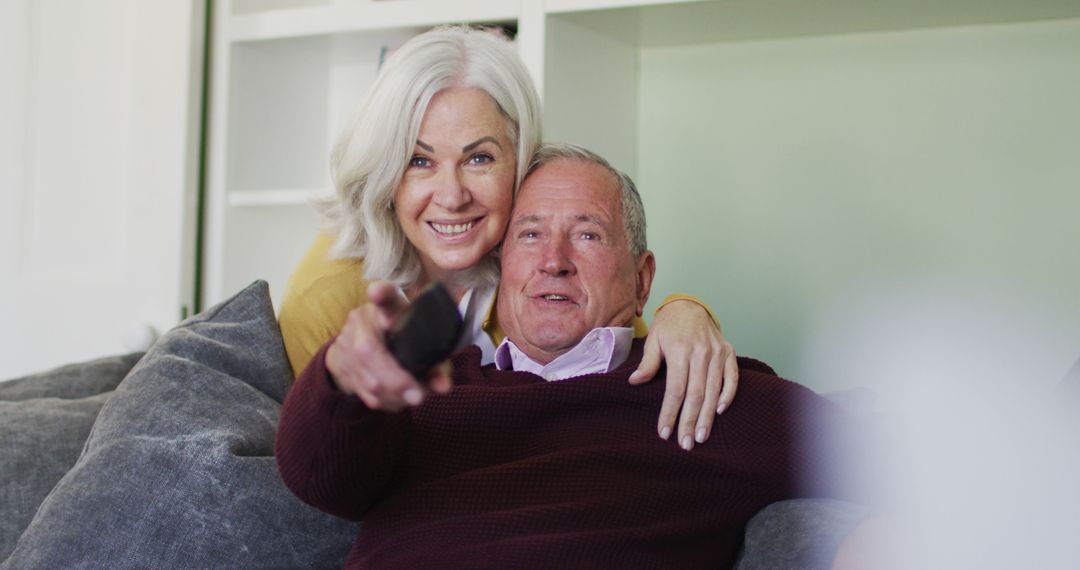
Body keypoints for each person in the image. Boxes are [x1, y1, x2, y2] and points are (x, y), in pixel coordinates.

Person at [276, 144, 859, 568]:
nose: (553, 261)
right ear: (501, 264)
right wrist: (341, 378)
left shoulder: (699, 393)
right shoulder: (427, 388)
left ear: (642, 278)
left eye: (587, 234)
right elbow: (319, 481)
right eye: (530, 234)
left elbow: (890, 456)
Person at [277, 26, 738, 447]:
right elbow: (323, 463)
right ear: (384, 171)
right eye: (420, 161)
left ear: (521, 159)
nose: (452, 197)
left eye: (479, 158)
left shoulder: (533, 254)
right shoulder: (325, 295)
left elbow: (618, 342)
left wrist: (684, 311)